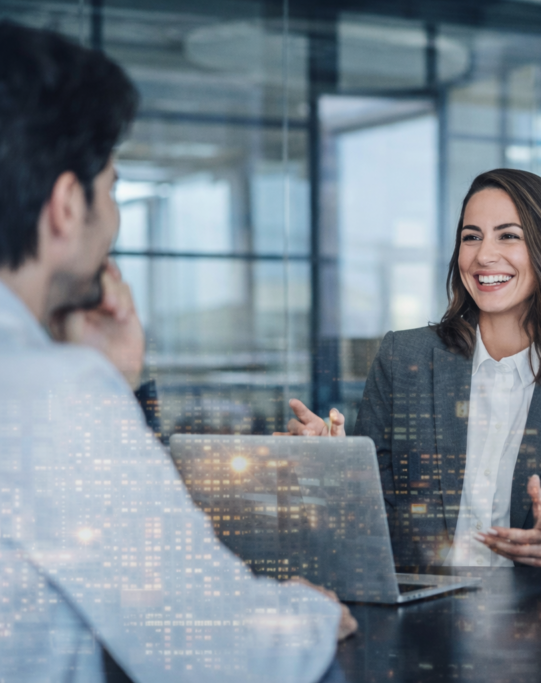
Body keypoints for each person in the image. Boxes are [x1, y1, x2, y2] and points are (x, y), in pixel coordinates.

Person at [0, 21, 355, 682]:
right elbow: (215, 648)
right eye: (111, 187)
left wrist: (109, 380)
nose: (113, 219)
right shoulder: (50, 391)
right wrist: (309, 615)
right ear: (66, 206)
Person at [286, 169, 541, 574]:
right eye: (471, 237)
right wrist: (335, 467)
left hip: (540, 609)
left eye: (508, 236)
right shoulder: (404, 359)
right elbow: (368, 519)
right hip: (420, 605)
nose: (483, 255)